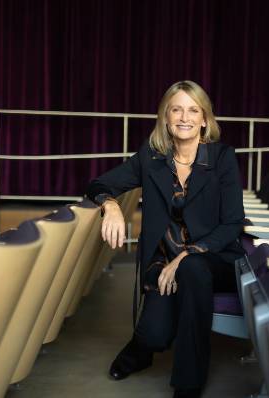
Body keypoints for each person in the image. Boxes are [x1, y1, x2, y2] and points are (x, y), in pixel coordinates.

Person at [85, 80, 245, 398]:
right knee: (156, 335)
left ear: (204, 119)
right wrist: (111, 204)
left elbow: (233, 224)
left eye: (193, 110)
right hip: (163, 262)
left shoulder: (222, 158)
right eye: (176, 109)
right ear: (166, 117)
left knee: (194, 269)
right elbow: (97, 183)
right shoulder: (151, 157)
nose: (184, 117)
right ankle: (141, 349)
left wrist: (188, 256)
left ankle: (188, 382)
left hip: (214, 258)